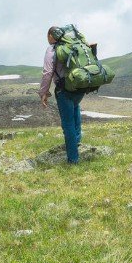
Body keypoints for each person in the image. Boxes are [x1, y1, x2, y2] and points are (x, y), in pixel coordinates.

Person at [39, 26, 85, 164]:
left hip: (64, 89)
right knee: (75, 109)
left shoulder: (52, 50)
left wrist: (43, 93)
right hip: (79, 86)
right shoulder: (73, 45)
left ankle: (73, 159)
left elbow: (47, 73)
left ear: (51, 36)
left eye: (47, 36)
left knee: (68, 124)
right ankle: (76, 144)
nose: (47, 39)